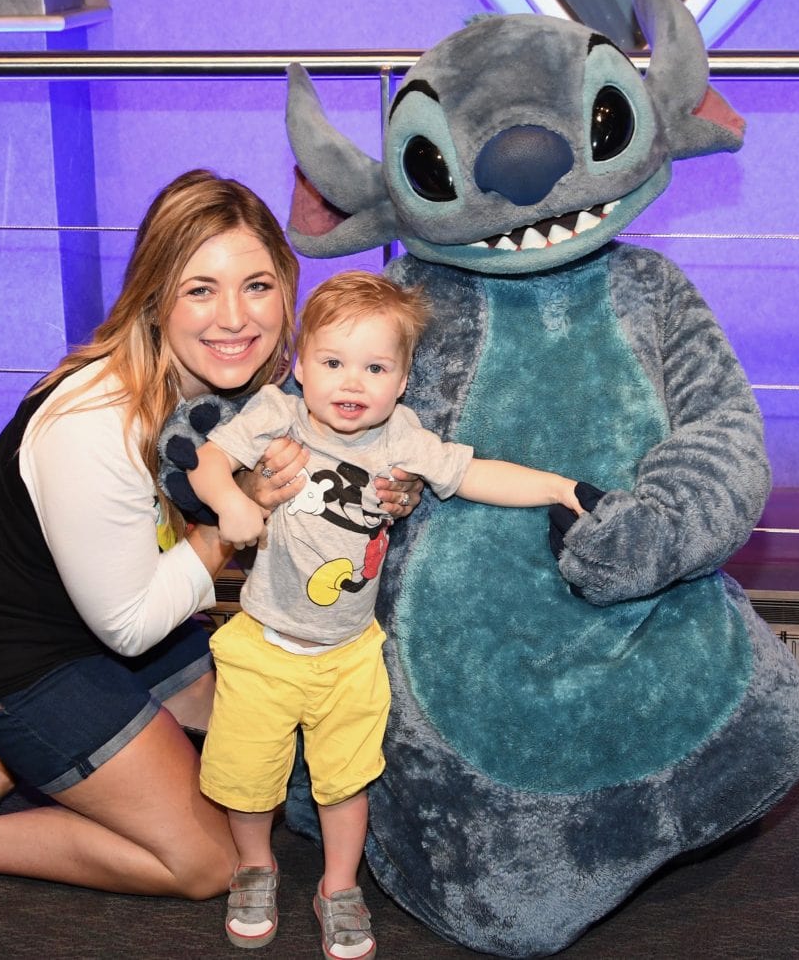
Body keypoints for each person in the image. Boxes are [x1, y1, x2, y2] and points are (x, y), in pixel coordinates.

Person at [0, 171, 424, 899]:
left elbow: (355, 448)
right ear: (153, 295)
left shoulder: (245, 388)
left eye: (258, 286)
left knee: (275, 720)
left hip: (108, 612)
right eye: (199, 289)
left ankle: (4, 765)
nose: (235, 318)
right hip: (23, 657)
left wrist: (399, 484)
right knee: (210, 858)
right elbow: (132, 626)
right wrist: (235, 524)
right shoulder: (93, 424)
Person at [187, 271, 585, 957]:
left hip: (348, 655)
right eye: (333, 362)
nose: (352, 382)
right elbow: (207, 460)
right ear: (301, 365)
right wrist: (231, 501)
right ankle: (255, 866)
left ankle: (339, 886)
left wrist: (557, 485)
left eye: (375, 367)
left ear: (402, 381)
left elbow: (473, 472)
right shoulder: (277, 415)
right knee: (248, 778)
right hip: (265, 645)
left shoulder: (401, 437)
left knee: (347, 782)